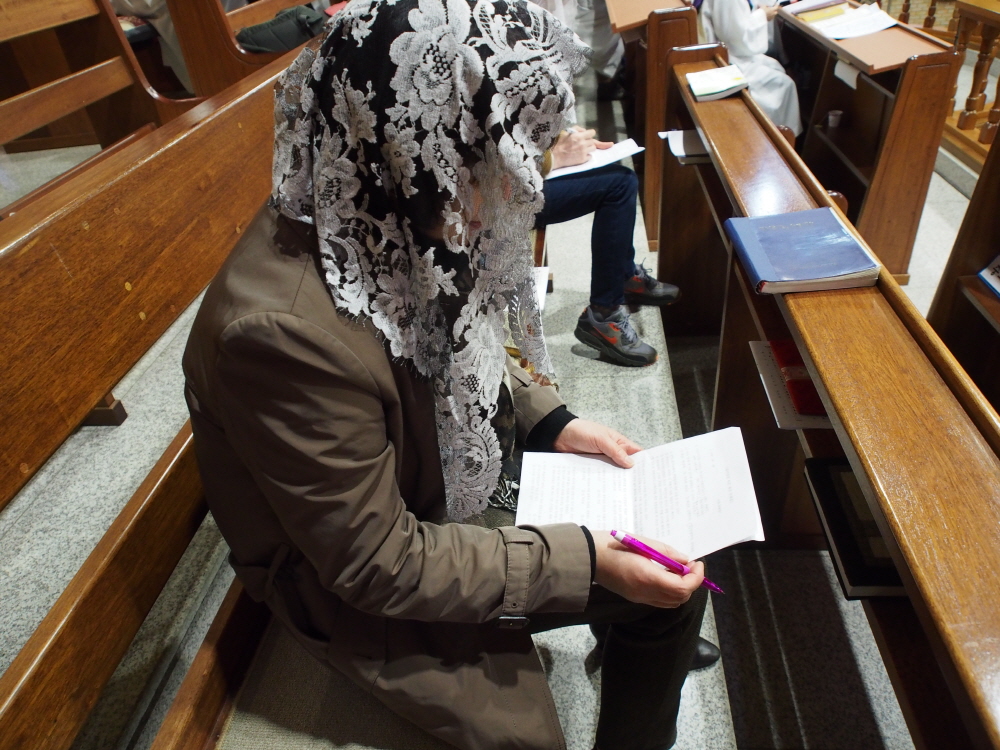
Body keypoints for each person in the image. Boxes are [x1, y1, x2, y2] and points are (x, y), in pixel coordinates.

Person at [182, 1, 717, 748]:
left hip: (421, 470)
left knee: (668, 577)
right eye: (492, 166)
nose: (513, 193)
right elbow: (375, 562)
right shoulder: (278, 334)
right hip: (354, 576)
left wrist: (553, 422)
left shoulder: (389, 207)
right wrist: (586, 561)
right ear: (410, 144)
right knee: (531, 735)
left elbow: (464, 333)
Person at [538, 127, 680, 367]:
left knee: (622, 178)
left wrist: (560, 137)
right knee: (619, 184)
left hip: (524, 171)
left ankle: (624, 277)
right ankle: (603, 315)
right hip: (497, 195)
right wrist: (554, 156)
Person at [700, 0, 802, 136]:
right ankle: (777, 139)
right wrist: (763, 15)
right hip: (727, 60)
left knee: (776, 68)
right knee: (785, 84)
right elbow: (738, 39)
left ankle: (782, 138)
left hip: (732, 53)